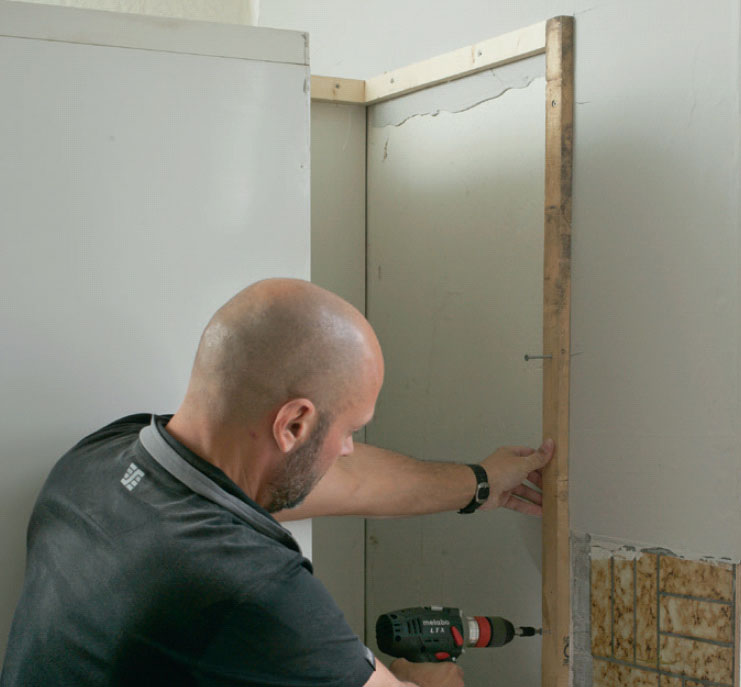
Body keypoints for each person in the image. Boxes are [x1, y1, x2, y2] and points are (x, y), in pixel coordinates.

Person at [0, 279, 554, 687]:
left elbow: (346, 480)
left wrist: (481, 483)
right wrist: (425, 679)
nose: (347, 449)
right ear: (292, 425)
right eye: (349, 431)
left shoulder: (102, 457)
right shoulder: (250, 588)